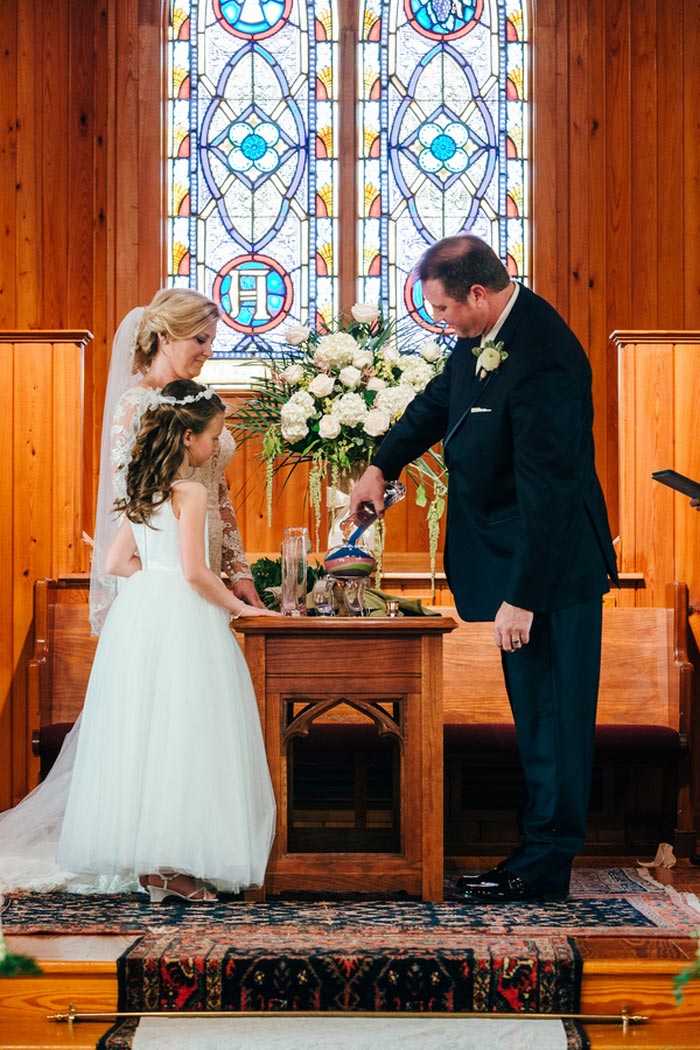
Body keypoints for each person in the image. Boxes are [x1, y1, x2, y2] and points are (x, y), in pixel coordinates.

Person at [349, 234, 618, 903]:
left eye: (443, 310)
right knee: (537, 717)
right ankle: (538, 853)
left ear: (476, 292)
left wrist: (523, 597)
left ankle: (545, 865)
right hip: (514, 561)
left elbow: (550, 490)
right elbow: (439, 401)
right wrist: (383, 463)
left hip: (549, 571)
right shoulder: (486, 333)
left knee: (553, 722)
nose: (442, 323)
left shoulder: (542, 354)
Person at [0, 380, 277, 901]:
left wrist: (154, 575)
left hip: (141, 614)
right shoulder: (191, 492)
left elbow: (114, 562)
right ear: (189, 436)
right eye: (213, 436)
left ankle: (153, 870)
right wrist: (239, 607)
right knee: (187, 733)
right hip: (182, 616)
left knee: (146, 734)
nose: (217, 447)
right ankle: (174, 868)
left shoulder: (146, 488)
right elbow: (196, 572)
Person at [90, 288, 264, 636]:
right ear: (165, 337)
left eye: (211, 340)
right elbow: (135, 500)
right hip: (166, 572)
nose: (209, 352)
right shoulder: (136, 405)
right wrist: (166, 576)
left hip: (208, 561)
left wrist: (239, 571)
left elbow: (219, 493)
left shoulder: (199, 402)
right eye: (200, 339)